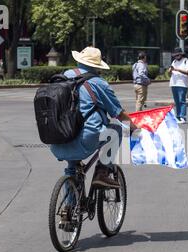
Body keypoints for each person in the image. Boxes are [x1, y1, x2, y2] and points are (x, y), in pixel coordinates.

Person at [50, 47, 139, 189]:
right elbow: (119, 114)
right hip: (85, 140)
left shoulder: (64, 76)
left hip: (57, 140)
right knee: (115, 130)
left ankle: (68, 207)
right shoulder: (99, 83)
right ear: (97, 66)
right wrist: (136, 128)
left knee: (71, 168)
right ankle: (102, 173)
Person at [168, 47, 188, 124]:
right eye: (175, 55)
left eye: (178, 55)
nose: (176, 57)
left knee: (182, 101)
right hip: (174, 83)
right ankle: (178, 116)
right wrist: (170, 71)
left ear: (181, 54)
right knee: (177, 101)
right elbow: (170, 74)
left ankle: (183, 117)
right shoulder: (174, 62)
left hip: (182, 84)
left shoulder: (186, 61)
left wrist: (178, 70)